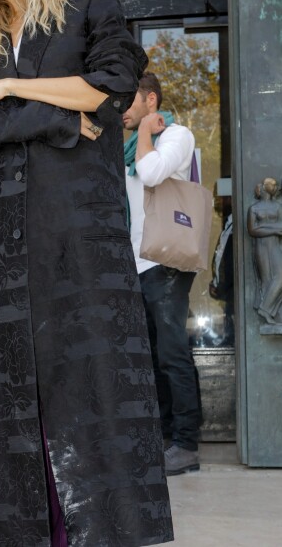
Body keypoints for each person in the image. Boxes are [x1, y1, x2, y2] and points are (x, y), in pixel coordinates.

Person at [0, 0, 173, 545]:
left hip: (77, 236)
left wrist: (7, 89)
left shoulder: (89, 2)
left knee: (91, 400)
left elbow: (109, 86)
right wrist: (53, 116)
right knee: (10, 410)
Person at [123, 72, 201, 476]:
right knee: (151, 357)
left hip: (166, 263)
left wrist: (150, 134)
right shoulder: (126, 148)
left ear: (150, 101)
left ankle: (186, 443)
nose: (122, 109)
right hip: (137, 262)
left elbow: (152, 173)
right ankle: (164, 438)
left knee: (172, 354)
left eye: (128, 100)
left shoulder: (176, 136)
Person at [246, 179, 282, 323]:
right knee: (266, 280)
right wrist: (274, 228)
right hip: (261, 247)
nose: (276, 187)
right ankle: (266, 315)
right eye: (273, 184)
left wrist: (263, 228)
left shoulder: (278, 207)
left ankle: (265, 308)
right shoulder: (253, 208)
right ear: (265, 188)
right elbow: (252, 230)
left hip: (275, 245)